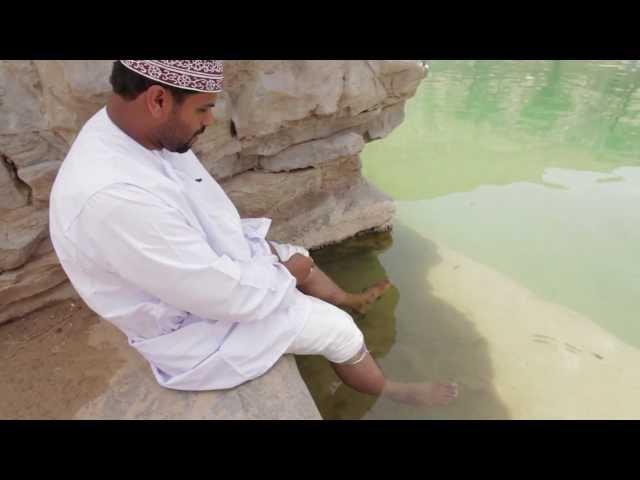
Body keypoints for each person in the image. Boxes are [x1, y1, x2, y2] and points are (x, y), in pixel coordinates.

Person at [49, 60, 458, 408]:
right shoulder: (114, 196)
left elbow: (200, 221)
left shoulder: (134, 133)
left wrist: (276, 261)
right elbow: (221, 297)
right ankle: (391, 388)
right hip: (190, 326)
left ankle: (348, 299)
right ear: (157, 100)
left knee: (295, 255)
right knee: (338, 331)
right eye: (203, 110)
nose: (209, 121)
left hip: (198, 275)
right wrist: (286, 274)